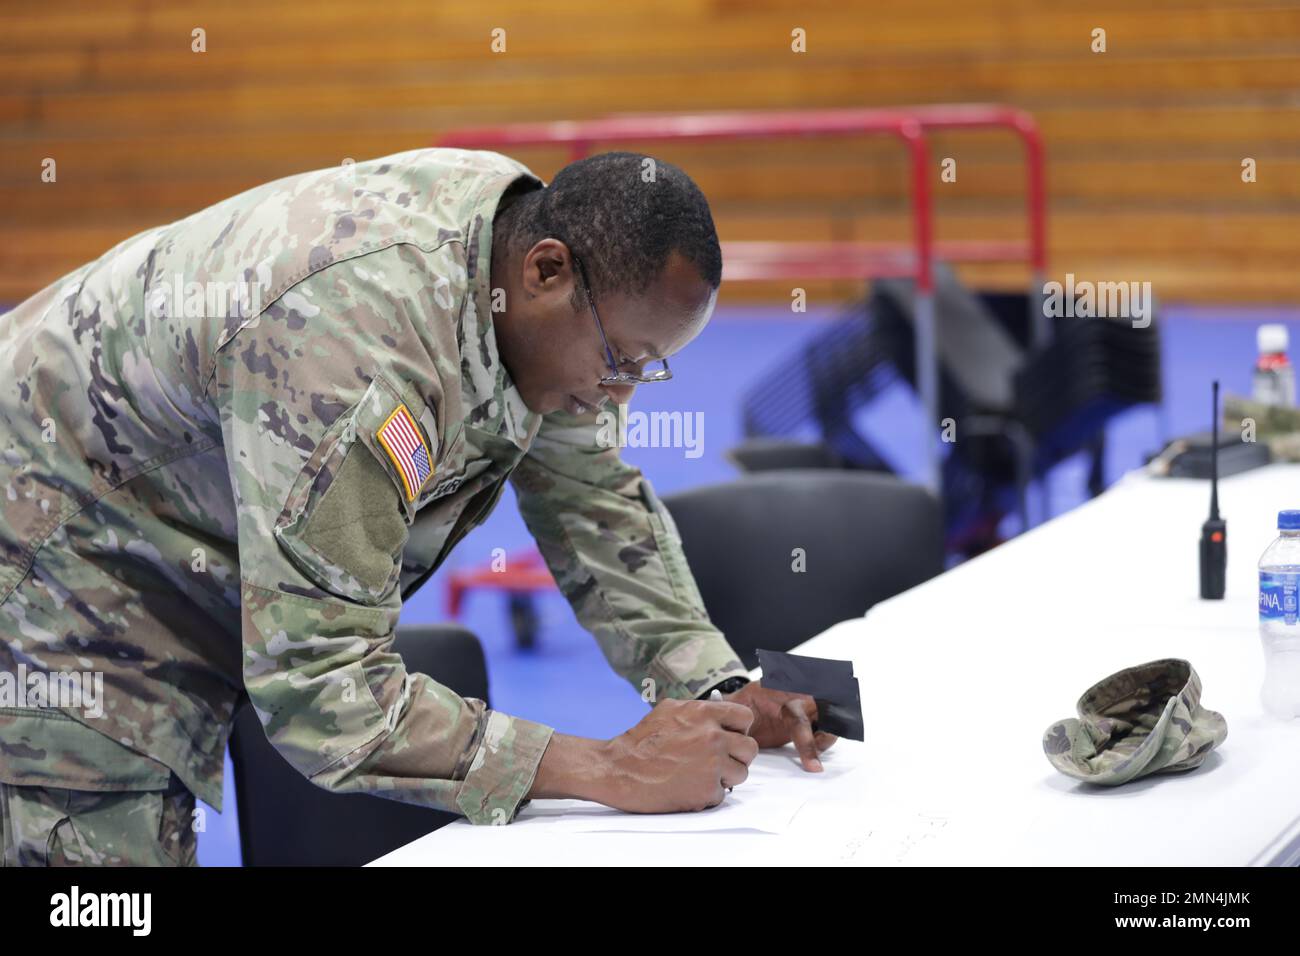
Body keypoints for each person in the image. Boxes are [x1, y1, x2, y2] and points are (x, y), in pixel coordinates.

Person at [0, 148, 835, 865]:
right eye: (622, 360)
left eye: (649, 369)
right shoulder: (351, 352)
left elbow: (592, 498)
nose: (616, 393)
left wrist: (713, 685)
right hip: (51, 538)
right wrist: (613, 768)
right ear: (547, 270)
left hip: (157, 512)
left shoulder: (521, 261)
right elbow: (322, 689)